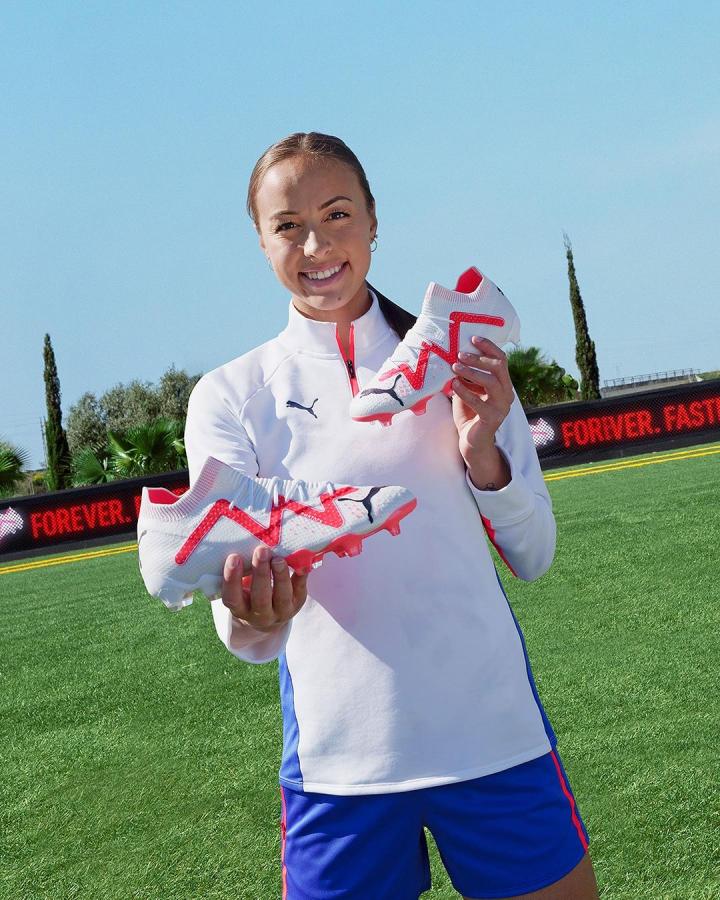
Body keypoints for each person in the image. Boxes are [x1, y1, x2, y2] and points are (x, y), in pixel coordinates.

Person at [184, 132, 600, 900]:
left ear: (374, 220)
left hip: (493, 737)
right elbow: (243, 632)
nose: (317, 245)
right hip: (340, 768)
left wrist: (482, 452)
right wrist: (251, 611)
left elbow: (534, 553)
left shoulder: (458, 355)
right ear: (261, 242)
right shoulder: (229, 398)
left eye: (337, 214)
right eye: (288, 226)